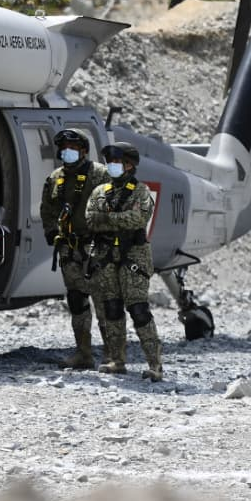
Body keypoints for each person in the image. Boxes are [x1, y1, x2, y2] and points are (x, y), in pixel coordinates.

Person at [85, 142, 163, 381]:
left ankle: (155, 365)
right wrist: (115, 219)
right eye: (110, 162)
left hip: (133, 258)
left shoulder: (141, 192)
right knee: (112, 309)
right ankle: (117, 361)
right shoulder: (100, 192)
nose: (112, 166)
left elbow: (137, 218)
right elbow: (91, 219)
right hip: (107, 256)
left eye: (117, 162)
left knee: (139, 310)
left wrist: (107, 218)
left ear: (130, 165)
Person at [39, 128, 110, 369]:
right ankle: (83, 354)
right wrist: (52, 233)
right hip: (69, 249)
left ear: (83, 150)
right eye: (64, 148)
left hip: (97, 248)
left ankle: (112, 355)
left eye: (72, 147)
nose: (67, 152)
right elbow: (47, 209)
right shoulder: (56, 178)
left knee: (103, 301)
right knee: (77, 300)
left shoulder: (101, 175)